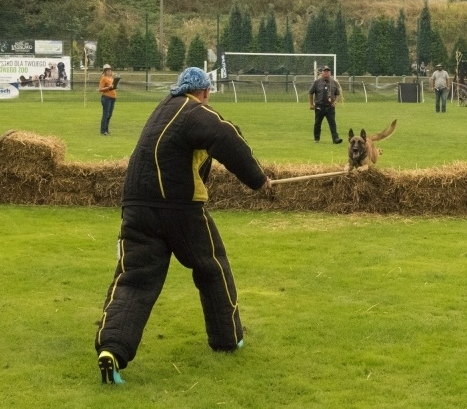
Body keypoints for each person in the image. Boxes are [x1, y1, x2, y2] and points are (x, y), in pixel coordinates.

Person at [94, 67, 272, 385]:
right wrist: (258, 180)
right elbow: (227, 136)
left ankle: (112, 351)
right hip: (179, 208)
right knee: (212, 268)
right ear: (203, 92)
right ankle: (228, 338)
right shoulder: (194, 111)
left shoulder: (162, 110)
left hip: (135, 206)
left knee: (134, 280)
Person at [308, 65, 342, 144]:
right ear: (322, 73)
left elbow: (337, 93)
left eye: (328, 71)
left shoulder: (334, 82)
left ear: (330, 73)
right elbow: (310, 92)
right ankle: (316, 138)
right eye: (325, 71)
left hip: (330, 107)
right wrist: (311, 104)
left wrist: (335, 101)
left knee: (332, 123)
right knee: (317, 123)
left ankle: (335, 139)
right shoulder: (317, 82)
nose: (326, 73)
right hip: (319, 106)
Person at [98, 64, 117, 135]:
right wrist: (108, 87)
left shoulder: (111, 78)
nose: (109, 71)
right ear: (105, 71)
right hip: (106, 98)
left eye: (110, 70)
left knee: (110, 114)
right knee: (106, 114)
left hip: (112, 97)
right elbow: (100, 89)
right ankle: (103, 130)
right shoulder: (104, 78)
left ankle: (106, 129)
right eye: (108, 70)